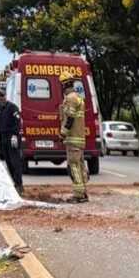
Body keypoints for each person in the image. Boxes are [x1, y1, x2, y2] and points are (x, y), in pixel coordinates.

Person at [58, 72, 88, 203]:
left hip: (73, 139)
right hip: (79, 139)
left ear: (64, 85)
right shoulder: (78, 98)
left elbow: (70, 119)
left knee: (73, 167)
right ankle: (83, 193)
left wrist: (62, 133)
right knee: (79, 166)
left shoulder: (70, 99)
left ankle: (78, 195)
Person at [0, 89, 23, 194]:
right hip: (4, 139)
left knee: (15, 162)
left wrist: (15, 135)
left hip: (12, 138)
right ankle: (15, 183)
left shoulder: (12, 107)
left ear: (5, 96)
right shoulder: (1, 110)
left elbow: (18, 122)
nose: (1, 98)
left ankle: (19, 185)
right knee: (9, 163)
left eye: (2, 96)